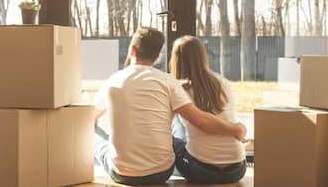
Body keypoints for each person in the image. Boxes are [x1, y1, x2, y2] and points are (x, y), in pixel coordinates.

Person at [93, 27, 247, 185]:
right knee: (174, 116)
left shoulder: (113, 80)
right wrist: (237, 129)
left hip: (125, 174)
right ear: (158, 56)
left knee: (93, 132)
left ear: (132, 50)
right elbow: (200, 119)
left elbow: (91, 117)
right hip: (165, 172)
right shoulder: (171, 82)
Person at [168, 35, 248, 184]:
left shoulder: (177, 89)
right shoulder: (222, 82)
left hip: (202, 171)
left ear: (176, 60)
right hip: (237, 169)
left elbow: (203, 122)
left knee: (174, 130)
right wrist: (237, 129)